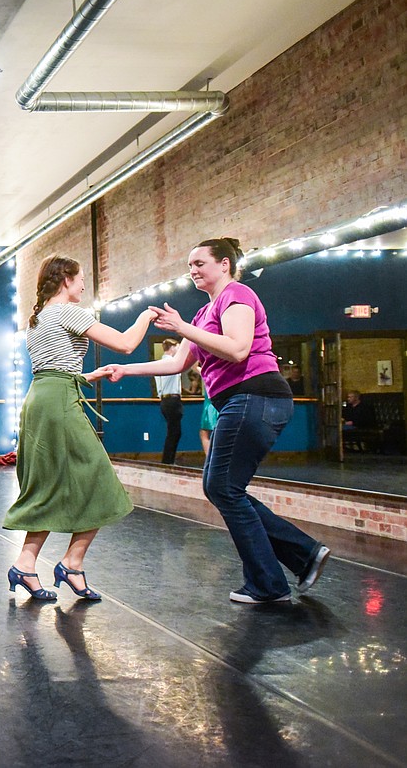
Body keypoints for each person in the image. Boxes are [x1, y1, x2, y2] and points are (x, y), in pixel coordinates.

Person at [105, 237, 330, 604]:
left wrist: (182, 328)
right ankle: (302, 556)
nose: (192, 270)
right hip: (240, 401)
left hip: (255, 395)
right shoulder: (203, 314)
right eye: (190, 265)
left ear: (224, 264)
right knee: (223, 487)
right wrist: (124, 369)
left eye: (199, 263)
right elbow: (177, 363)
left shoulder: (236, 295)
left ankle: (272, 581)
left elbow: (239, 348)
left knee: (222, 487)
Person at [2, 255, 157, 603]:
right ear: (65, 280)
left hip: (42, 398)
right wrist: (147, 316)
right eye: (81, 278)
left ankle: (27, 564)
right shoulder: (67, 312)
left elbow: (52, 370)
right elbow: (126, 343)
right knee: (101, 479)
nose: (85, 284)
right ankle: (71, 563)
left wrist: (89, 376)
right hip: (58, 403)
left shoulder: (39, 317)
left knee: (48, 482)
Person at [155, 338, 183, 464]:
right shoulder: (172, 363)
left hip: (164, 401)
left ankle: (168, 460)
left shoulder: (158, 363)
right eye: (177, 347)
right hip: (172, 401)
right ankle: (168, 461)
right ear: (172, 348)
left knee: (173, 431)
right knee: (174, 432)